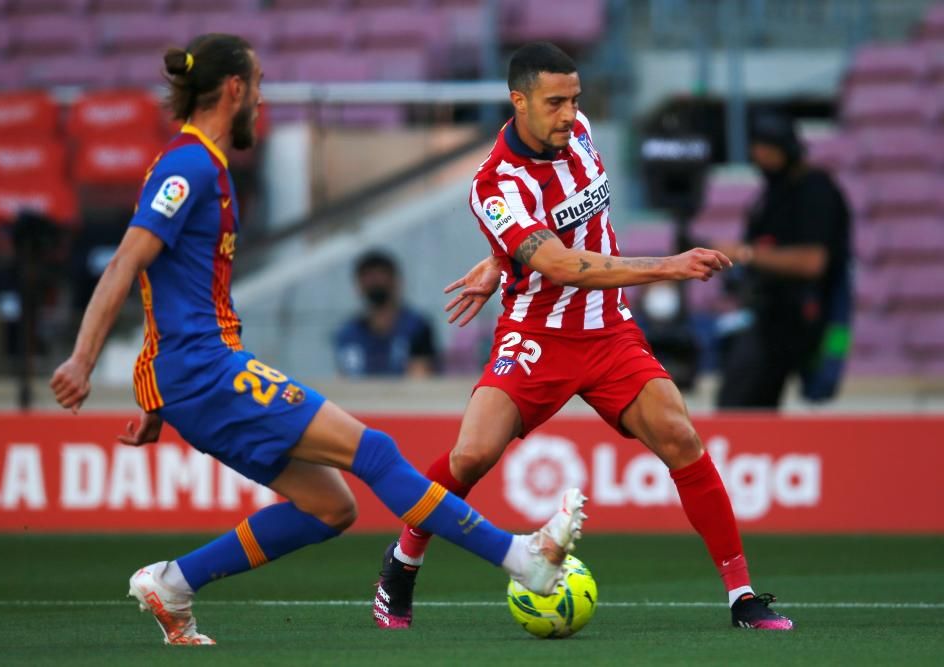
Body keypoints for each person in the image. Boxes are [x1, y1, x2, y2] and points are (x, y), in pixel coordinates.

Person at [49, 34, 586, 646]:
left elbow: (167, 286)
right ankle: (524, 559)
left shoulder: (201, 163)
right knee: (376, 452)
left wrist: (155, 395)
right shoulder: (190, 164)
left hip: (190, 377)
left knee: (331, 508)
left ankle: (173, 583)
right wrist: (84, 360)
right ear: (234, 90)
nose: (262, 97)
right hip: (204, 371)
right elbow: (127, 263)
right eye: (257, 85)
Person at [372, 42, 793, 632]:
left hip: (607, 328)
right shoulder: (495, 185)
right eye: (554, 102)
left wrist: (500, 261)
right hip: (536, 333)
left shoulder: (581, 132)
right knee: (471, 455)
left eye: (574, 98)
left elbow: (560, 223)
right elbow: (564, 264)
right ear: (518, 103)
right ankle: (402, 563)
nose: (569, 113)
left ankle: (743, 596)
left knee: (680, 435)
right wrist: (668, 265)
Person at [714, 112, 852, 408]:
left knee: (739, 403)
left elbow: (813, 262)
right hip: (767, 313)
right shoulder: (770, 193)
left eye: (766, 149)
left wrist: (745, 254)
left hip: (802, 318)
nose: (758, 156)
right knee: (747, 401)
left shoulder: (816, 190)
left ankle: (738, 452)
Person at [334, 250, 438, 378]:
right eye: (368, 277)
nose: (375, 282)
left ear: (396, 281)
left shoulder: (417, 327)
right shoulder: (347, 333)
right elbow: (343, 379)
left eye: (380, 275)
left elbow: (420, 377)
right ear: (358, 285)